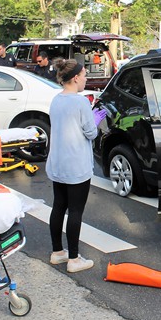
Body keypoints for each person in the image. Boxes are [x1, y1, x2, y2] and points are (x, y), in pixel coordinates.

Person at [45, 59, 106, 273]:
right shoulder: (80, 103)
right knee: (76, 211)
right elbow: (90, 133)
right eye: (85, 75)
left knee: (58, 206)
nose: (86, 78)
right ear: (76, 78)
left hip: (58, 163)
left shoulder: (56, 100)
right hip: (76, 165)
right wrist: (96, 120)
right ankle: (73, 258)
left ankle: (57, 252)